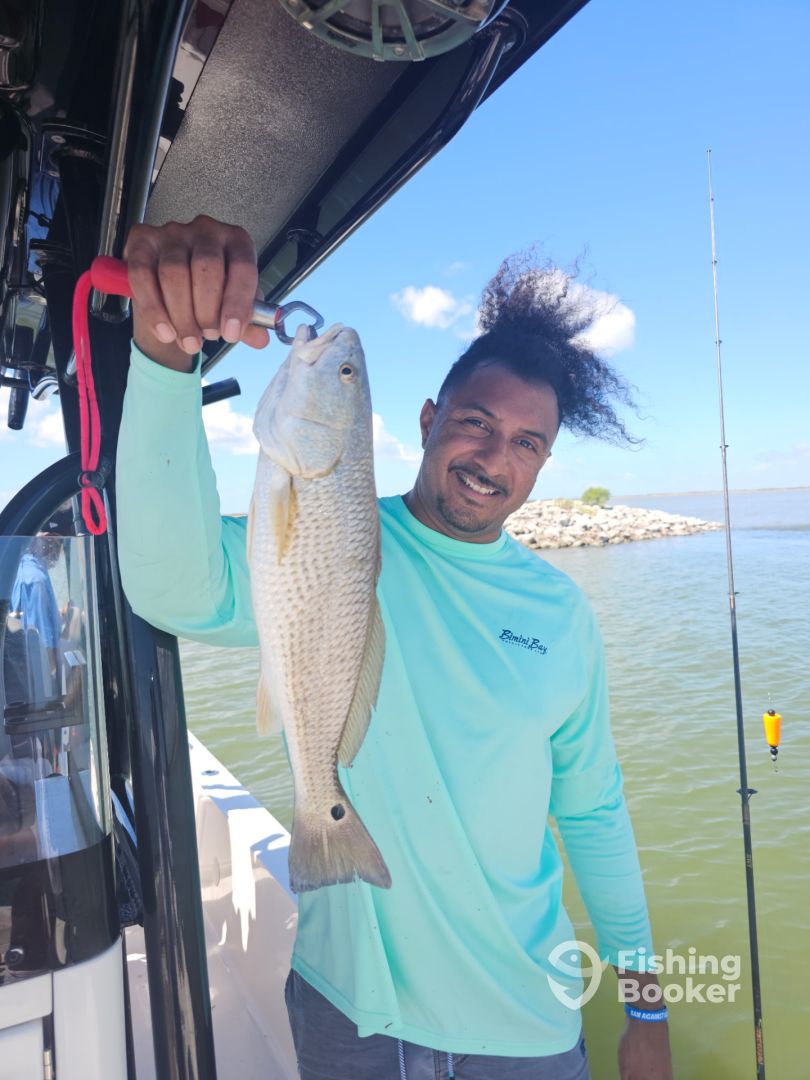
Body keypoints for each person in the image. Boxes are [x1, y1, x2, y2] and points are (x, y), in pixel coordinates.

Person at [116, 216, 673, 1080]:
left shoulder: (563, 614)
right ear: (426, 419)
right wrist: (164, 358)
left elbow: (593, 813)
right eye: (476, 422)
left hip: (525, 1024)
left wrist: (645, 1004)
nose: (494, 458)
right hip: (352, 1014)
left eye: (527, 443)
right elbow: (170, 585)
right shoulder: (330, 537)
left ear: (542, 463)